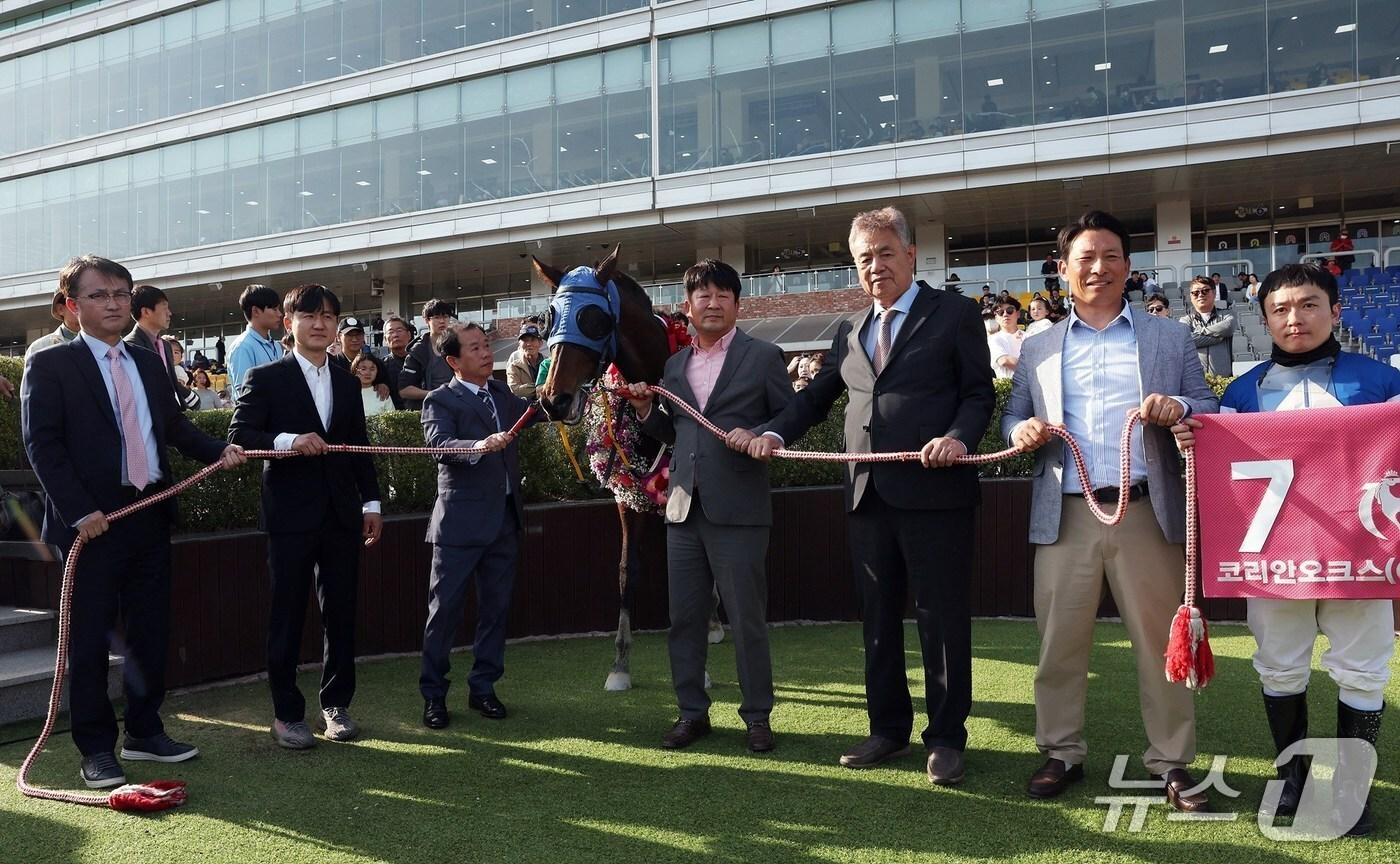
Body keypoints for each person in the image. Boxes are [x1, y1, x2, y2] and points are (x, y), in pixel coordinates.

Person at [742, 207, 994, 785]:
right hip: (866, 496)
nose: (875, 266)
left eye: (885, 253)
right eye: (864, 258)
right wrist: (772, 433)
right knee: (877, 619)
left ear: (910, 254)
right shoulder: (851, 329)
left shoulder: (954, 313)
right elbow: (815, 399)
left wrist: (958, 438)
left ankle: (946, 738)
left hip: (937, 495)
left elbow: (979, 394)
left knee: (940, 620)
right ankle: (888, 730)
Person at [1171, 263, 1400, 836]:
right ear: (1265, 318)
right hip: (1274, 557)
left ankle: (1351, 790)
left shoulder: (1383, 382)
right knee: (1280, 667)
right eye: (1280, 309)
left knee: (1363, 671)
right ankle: (1291, 779)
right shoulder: (1241, 392)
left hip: (1360, 554)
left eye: (1308, 305)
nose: (1294, 318)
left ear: (1335, 311)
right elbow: (1219, 472)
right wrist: (1190, 438)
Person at [1001, 210, 1218, 812]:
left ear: (1129, 265)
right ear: (1063, 269)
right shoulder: (1039, 345)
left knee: (1159, 643)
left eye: (1112, 256)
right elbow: (1012, 412)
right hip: (1066, 513)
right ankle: (1060, 751)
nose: (1099, 267)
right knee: (1059, 642)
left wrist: (1178, 408)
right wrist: (1021, 430)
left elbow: (1206, 404)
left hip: (1147, 511)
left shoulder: (1168, 337)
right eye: (1086, 258)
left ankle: (1171, 762)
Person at [21, 255, 246, 789]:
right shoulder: (50, 364)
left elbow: (173, 427)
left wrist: (219, 450)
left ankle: (144, 731)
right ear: (72, 305)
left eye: (121, 293)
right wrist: (80, 511)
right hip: (92, 526)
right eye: (99, 295)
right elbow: (43, 446)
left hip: (149, 514)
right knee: (89, 640)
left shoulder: (146, 361)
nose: (114, 303)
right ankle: (96, 748)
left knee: (149, 632)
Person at [624, 259, 793, 754]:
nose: (713, 303)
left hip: (740, 509)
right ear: (688, 306)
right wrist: (644, 411)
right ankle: (691, 713)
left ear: (737, 304)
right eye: (704, 295)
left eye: (723, 295)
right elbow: (675, 432)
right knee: (684, 619)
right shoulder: (674, 367)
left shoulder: (764, 356)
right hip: (682, 511)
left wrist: (763, 434)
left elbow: (792, 415)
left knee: (746, 619)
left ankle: (757, 717)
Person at [228, 284, 383, 750]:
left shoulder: (346, 380)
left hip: (341, 514)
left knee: (341, 612)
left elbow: (358, 446)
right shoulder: (264, 377)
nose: (320, 324)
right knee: (288, 614)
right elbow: (241, 434)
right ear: (289, 322)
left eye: (328, 316)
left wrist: (371, 504)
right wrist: (288, 441)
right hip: (289, 517)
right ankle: (287, 714)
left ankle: (336, 705)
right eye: (310, 315)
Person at [419, 322, 537, 729]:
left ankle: (483, 688)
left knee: (496, 610)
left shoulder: (502, 393)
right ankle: (434, 696)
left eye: (486, 345)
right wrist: (477, 446)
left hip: (504, 520)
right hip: (458, 525)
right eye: (475, 348)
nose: (487, 353)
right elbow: (438, 445)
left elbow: (540, 410)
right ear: (453, 361)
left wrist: (574, 391)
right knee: (444, 613)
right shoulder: (439, 399)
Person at [125, 285, 198, 411]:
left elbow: (172, 383)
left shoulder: (165, 345)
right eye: (165, 308)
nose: (169, 313)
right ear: (146, 312)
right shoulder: (130, 346)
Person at [227, 284, 284, 400]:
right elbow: (244, 395)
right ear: (256, 311)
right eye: (274, 309)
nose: (280, 314)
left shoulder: (276, 346)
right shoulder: (242, 347)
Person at [398, 299, 456, 409]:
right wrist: (434, 394)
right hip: (431, 407)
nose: (442, 321)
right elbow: (404, 390)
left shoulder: (458, 345)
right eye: (437, 317)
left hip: (459, 404)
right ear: (427, 320)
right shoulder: (417, 351)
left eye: (445, 317)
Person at [1180, 275, 1237, 377]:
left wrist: (1200, 331)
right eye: (1195, 293)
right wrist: (1218, 337)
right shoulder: (1185, 320)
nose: (1200, 295)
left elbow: (1228, 327)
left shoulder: (1227, 315)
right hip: (1195, 381)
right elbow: (1187, 340)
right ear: (1191, 297)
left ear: (1214, 293)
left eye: (1205, 291)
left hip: (1223, 380)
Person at [330, 316, 392, 402]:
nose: (354, 339)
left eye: (358, 334)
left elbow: (386, 383)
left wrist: (383, 384)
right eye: (349, 335)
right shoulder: (332, 364)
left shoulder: (376, 364)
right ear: (338, 336)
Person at [25, 288, 81, 361]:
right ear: (60, 309)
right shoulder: (39, 348)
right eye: (75, 303)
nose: (84, 307)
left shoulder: (96, 341)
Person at [380, 315, 414, 409]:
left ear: (409, 335)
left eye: (399, 330)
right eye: (391, 332)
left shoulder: (422, 361)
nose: (395, 335)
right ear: (385, 339)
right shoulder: (380, 367)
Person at [988, 297, 1024, 379]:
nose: (1005, 314)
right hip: (1007, 386)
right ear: (996, 317)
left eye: (1009, 310)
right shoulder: (992, 339)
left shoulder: (1030, 337)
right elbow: (1004, 361)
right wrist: (1033, 368)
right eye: (1000, 312)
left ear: (1018, 313)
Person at [506, 323, 545, 398]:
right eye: (525, 340)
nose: (529, 344)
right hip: (525, 404)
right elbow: (514, 390)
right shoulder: (514, 366)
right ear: (519, 344)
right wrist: (541, 387)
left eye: (533, 340)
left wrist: (527, 388)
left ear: (540, 343)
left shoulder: (549, 363)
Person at [352, 353, 394, 417]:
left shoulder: (382, 393)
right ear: (355, 370)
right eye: (363, 369)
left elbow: (392, 419)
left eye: (372, 369)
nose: (368, 373)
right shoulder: (348, 393)